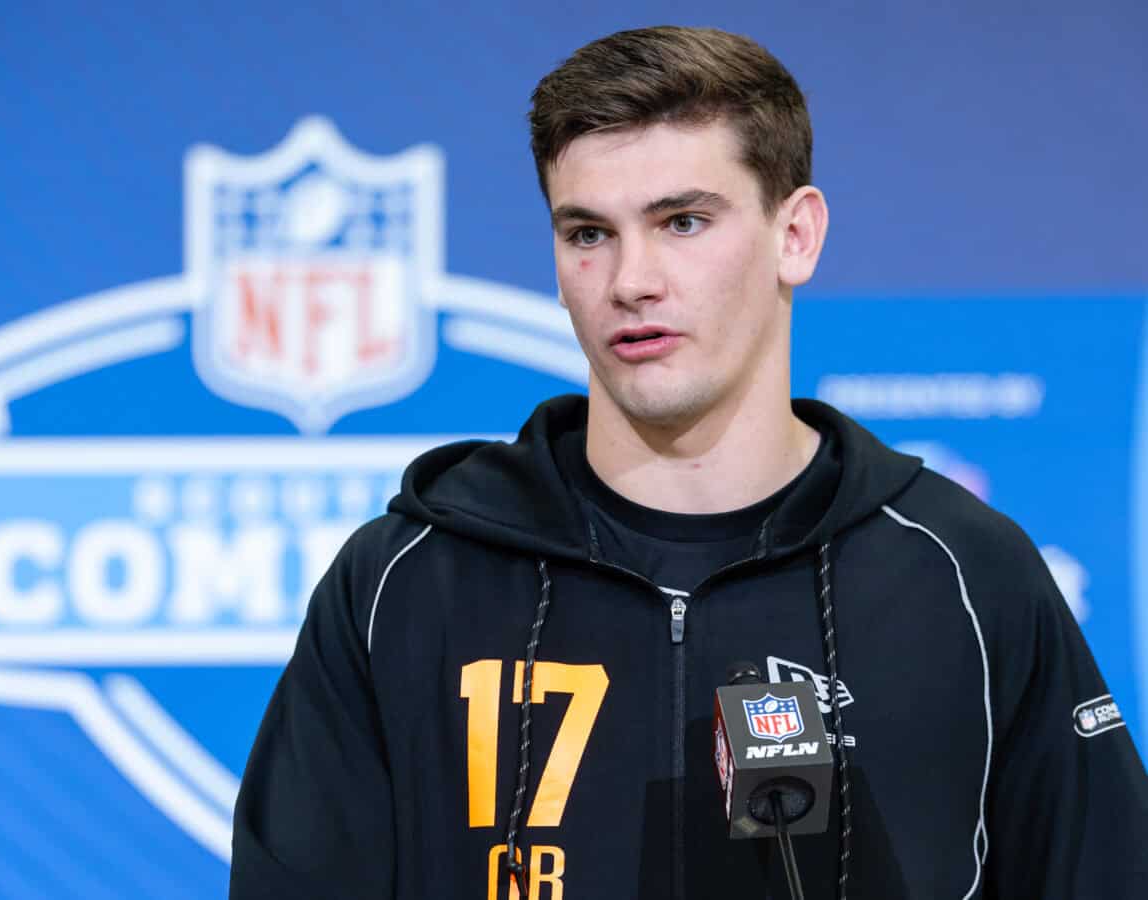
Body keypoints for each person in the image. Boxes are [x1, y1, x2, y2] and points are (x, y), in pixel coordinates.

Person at [229, 25, 1148, 899]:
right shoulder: (406, 580)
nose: (631, 281)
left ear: (797, 235)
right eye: (588, 233)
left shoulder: (962, 571)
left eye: (682, 222)